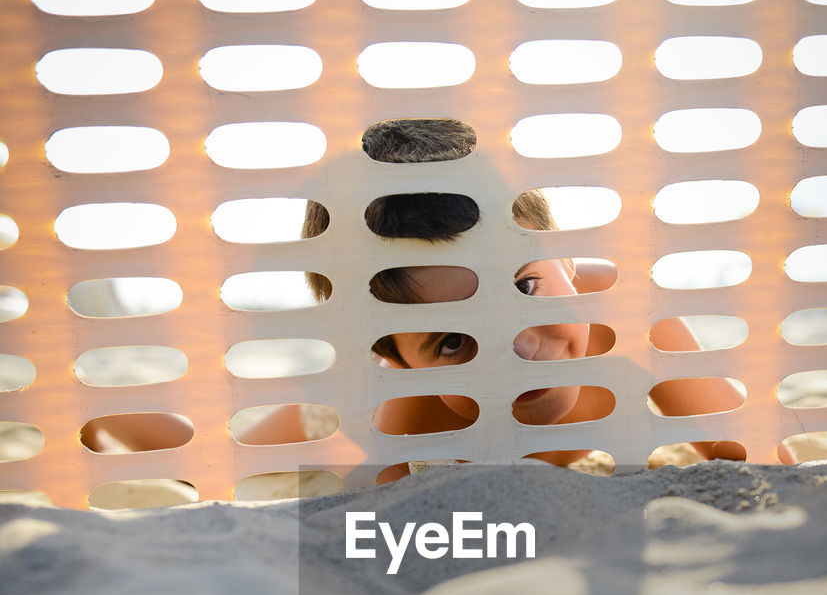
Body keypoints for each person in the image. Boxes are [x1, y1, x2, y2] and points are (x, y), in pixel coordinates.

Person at [84, 117, 777, 471]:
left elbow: (744, 450)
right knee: (212, 455)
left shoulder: (627, 311)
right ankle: (108, 410)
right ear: (398, 359)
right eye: (451, 339)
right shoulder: (401, 412)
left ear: (563, 256)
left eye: (525, 289)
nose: (517, 351)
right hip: (334, 418)